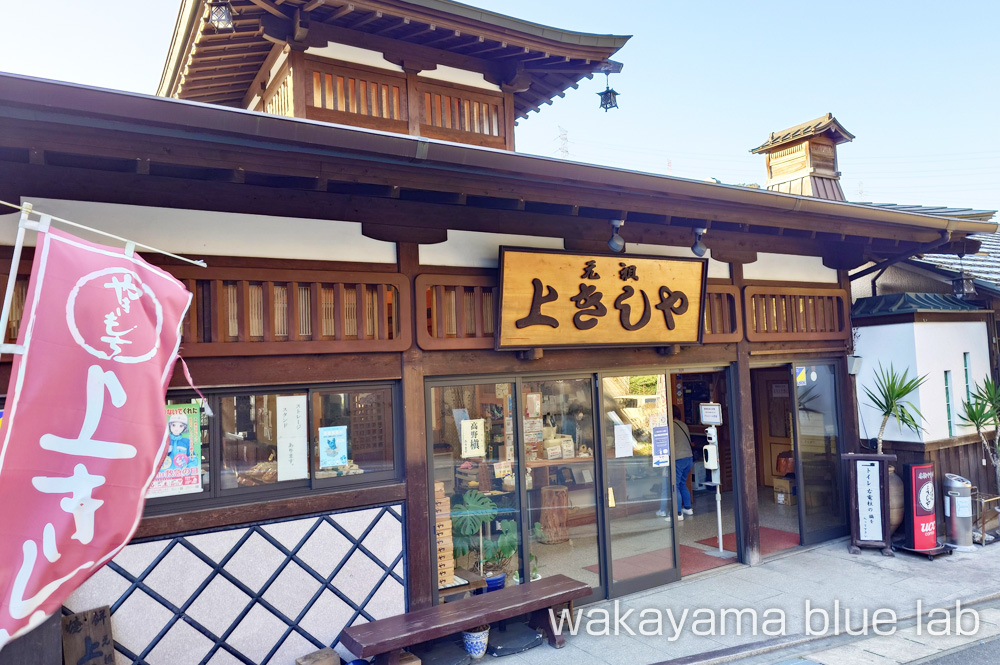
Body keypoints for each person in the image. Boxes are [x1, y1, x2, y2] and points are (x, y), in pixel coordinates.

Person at [672, 417, 694, 521]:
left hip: (678, 458)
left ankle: (678, 513)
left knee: (675, 485)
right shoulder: (684, 424)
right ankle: (688, 507)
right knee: (682, 483)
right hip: (689, 457)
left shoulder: (671, 426)